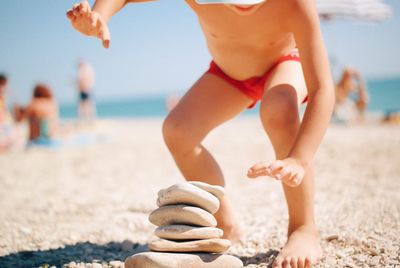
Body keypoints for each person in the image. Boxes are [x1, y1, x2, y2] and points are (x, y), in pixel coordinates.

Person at [67, 1, 335, 267]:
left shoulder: (295, 5)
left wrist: (299, 159)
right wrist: (99, 14)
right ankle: (225, 220)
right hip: (230, 75)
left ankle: (303, 228)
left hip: (286, 62)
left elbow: (323, 89)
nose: (242, 7)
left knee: (278, 110)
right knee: (178, 131)